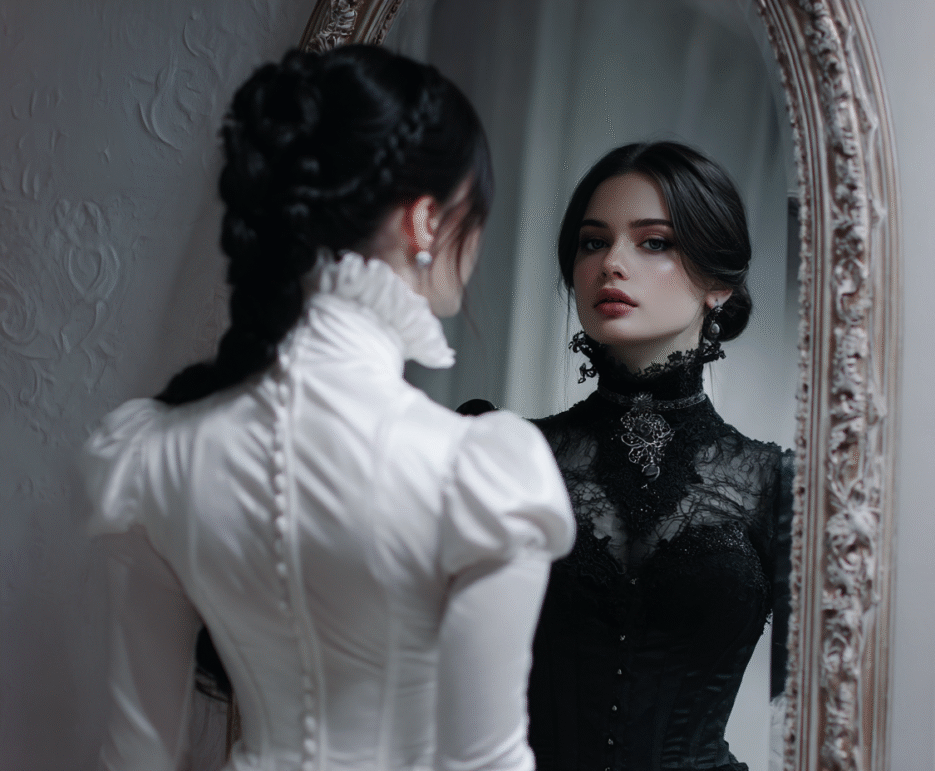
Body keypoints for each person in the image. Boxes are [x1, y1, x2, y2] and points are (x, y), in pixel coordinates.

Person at [81, 44, 573, 771]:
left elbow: (137, 753)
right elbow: (487, 763)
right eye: (479, 215)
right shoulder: (479, 473)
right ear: (426, 223)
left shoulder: (150, 457)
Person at [524, 142, 793, 771]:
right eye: (593, 242)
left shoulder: (773, 484)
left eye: (654, 243)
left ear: (720, 284)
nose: (612, 263)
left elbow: (833, 705)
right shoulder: (510, 454)